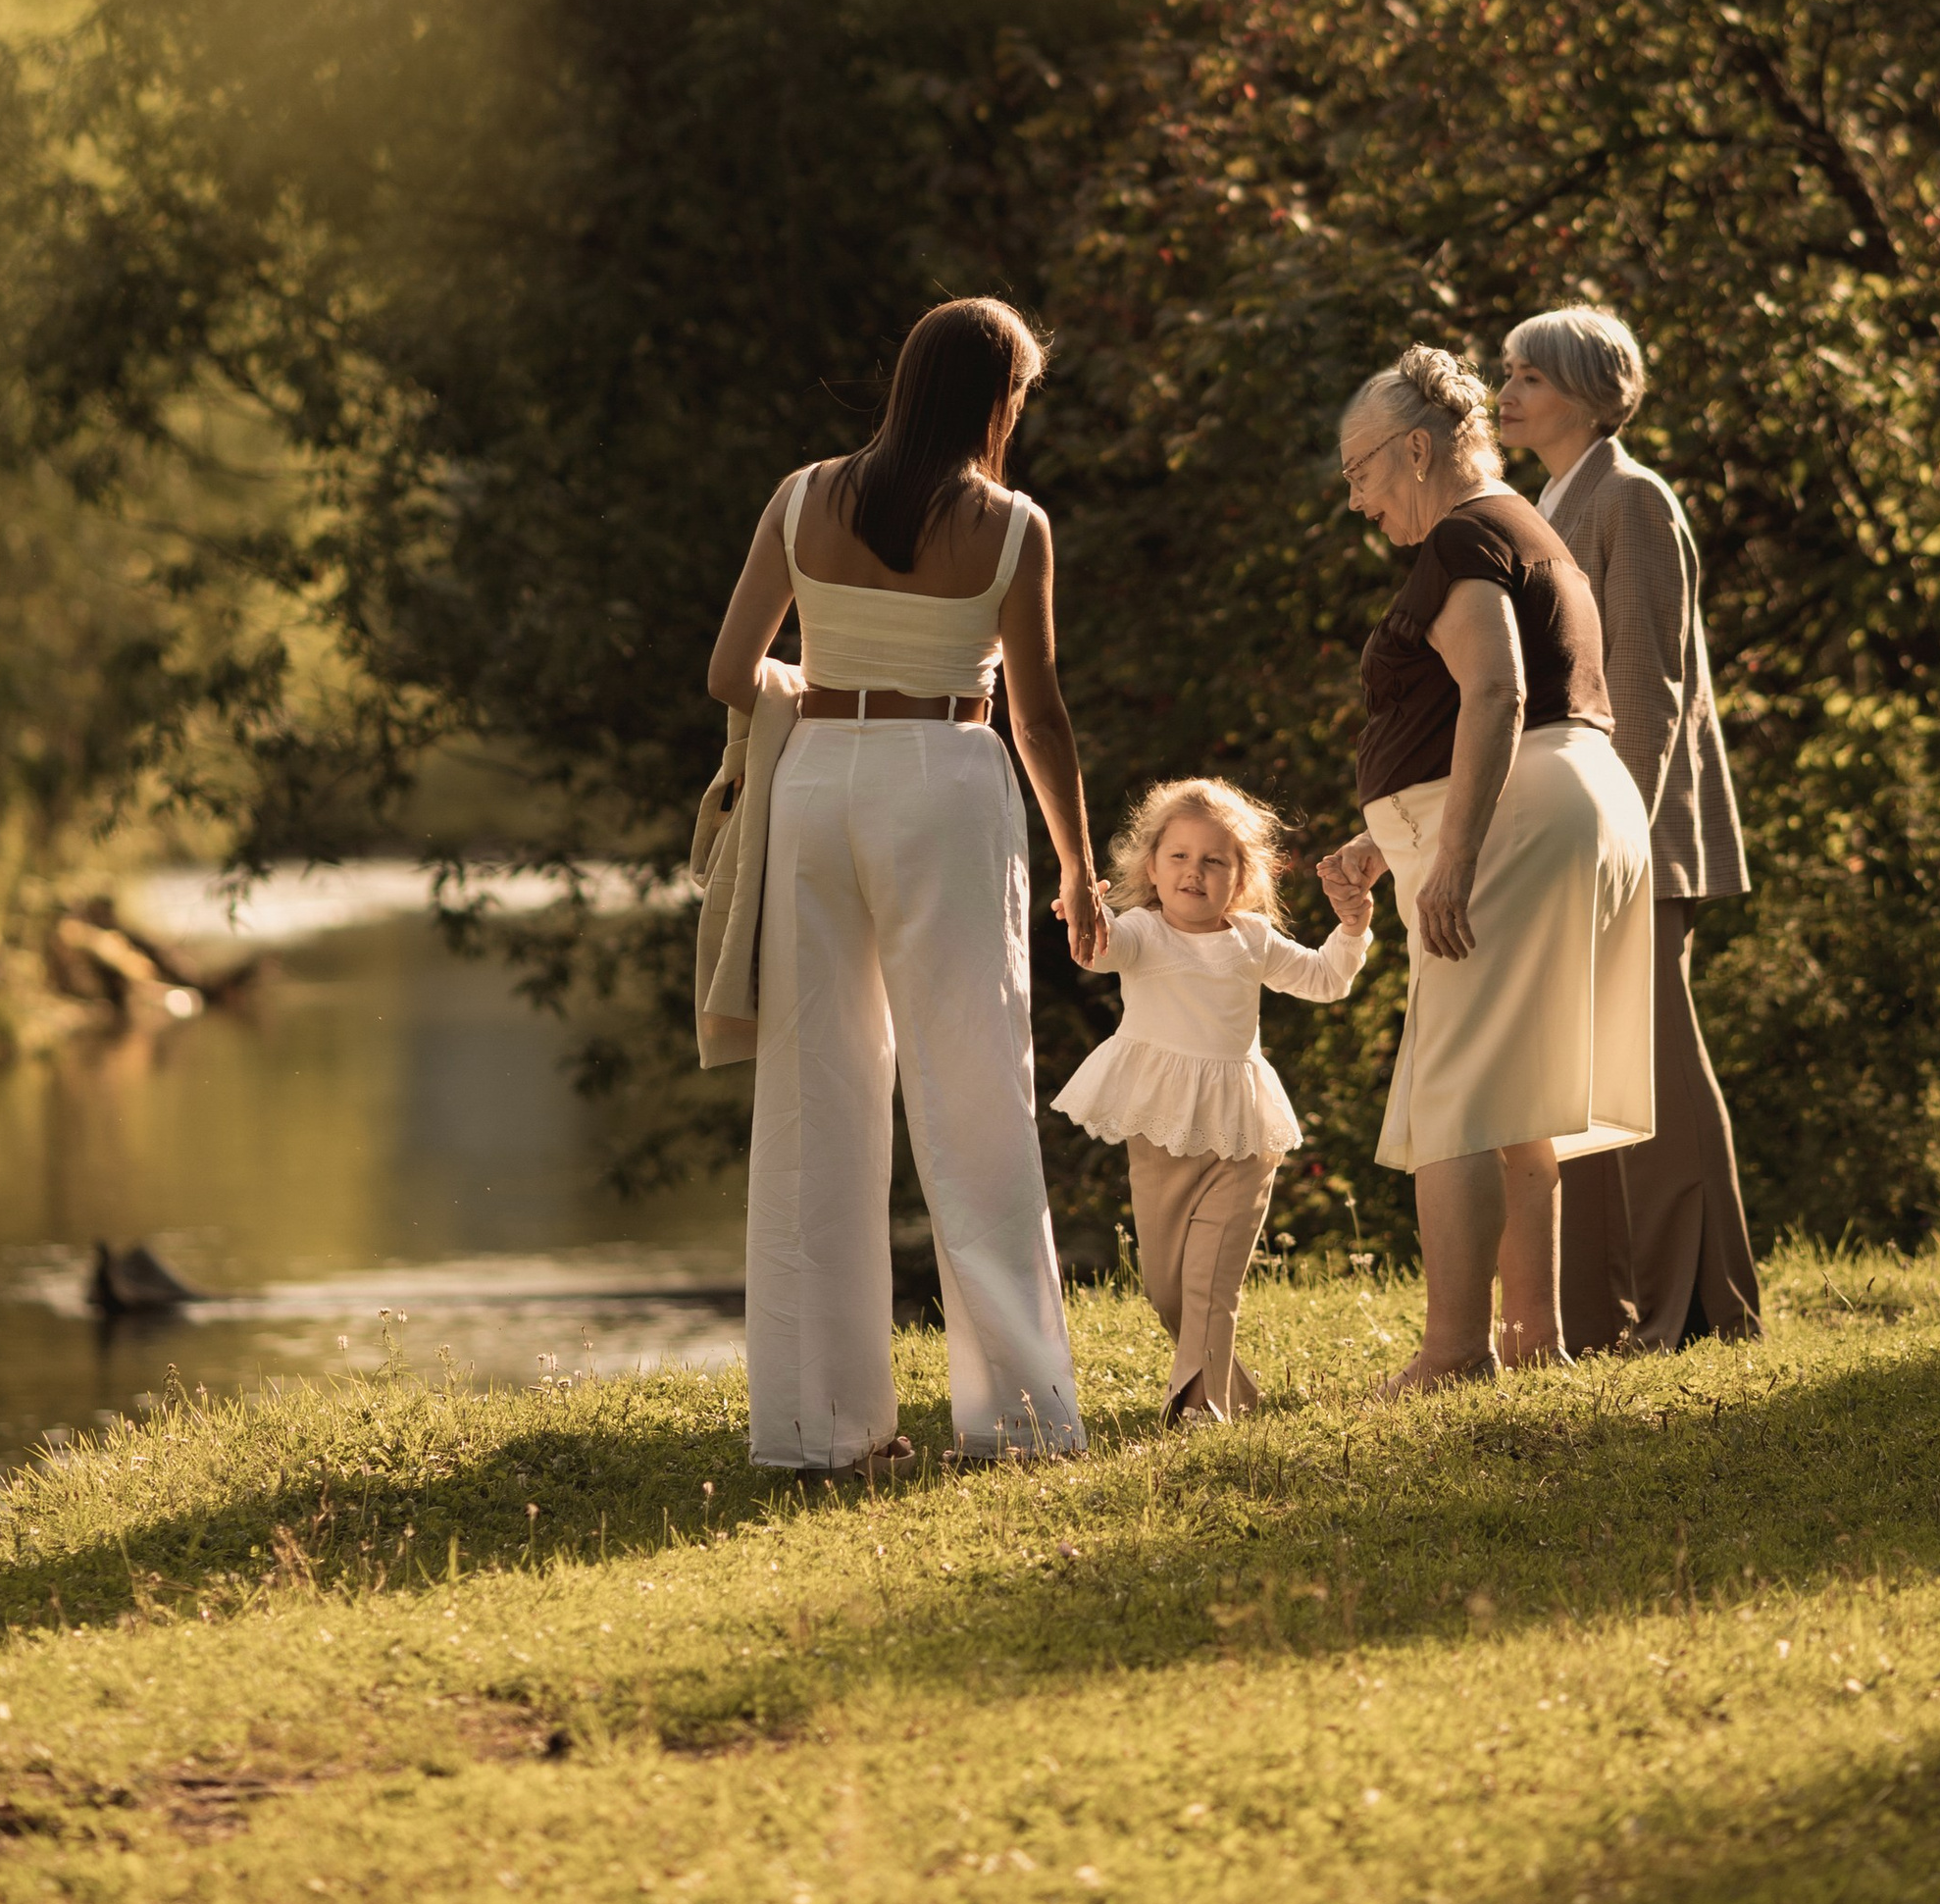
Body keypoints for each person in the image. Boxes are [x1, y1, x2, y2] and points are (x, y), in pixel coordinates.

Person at [705, 294, 1100, 1472]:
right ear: (993, 397)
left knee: (814, 1098)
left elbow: (732, 670)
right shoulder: (1012, 524)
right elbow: (1038, 715)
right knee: (973, 1086)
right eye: (1019, 395)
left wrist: (818, 701)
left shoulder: (802, 495)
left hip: (819, 785)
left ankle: (812, 1430)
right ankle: (1019, 1422)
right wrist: (1079, 868)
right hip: (947, 776)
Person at [1316, 343, 1653, 1387]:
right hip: (1574, 798)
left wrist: (1450, 854)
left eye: (1360, 471)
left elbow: (1498, 694)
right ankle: (1529, 1338)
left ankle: (1455, 1352)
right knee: (1512, 1096)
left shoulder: (1465, 534)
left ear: (1416, 451)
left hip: (1517, 818)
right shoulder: (1518, 525)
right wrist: (1395, 836)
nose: (1357, 499)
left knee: (1454, 1094)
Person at [1497, 303, 1762, 1350]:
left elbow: (1647, 691)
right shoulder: (1540, 503)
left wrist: (1615, 841)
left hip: (1635, 837)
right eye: (1508, 373)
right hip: (1575, 834)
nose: (1508, 392)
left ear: (1588, 394)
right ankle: (1600, 1313)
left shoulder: (1633, 498)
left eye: (1530, 376)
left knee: (1650, 1069)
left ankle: (1699, 1312)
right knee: (1582, 1074)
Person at [1052, 777, 1375, 1425]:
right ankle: (1235, 1392)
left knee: (1210, 1284)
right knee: (1166, 1288)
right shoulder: (1142, 931)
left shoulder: (1252, 939)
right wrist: (1086, 913)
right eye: (1178, 856)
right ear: (1152, 867)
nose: (1193, 872)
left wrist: (1352, 928)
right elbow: (1103, 951)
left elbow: (1325, 979)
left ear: (1242, 877)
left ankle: (1201, 1409)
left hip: (1242, 1133)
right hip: (1161, 1129)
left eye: (1213, 861)